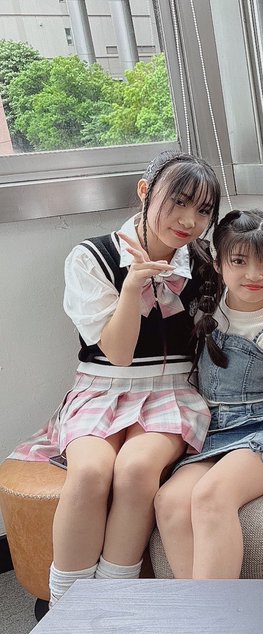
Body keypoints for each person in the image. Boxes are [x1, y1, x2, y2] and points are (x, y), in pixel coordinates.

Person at [12, 151, 220, 602]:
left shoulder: (203, 264)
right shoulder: (91, 256)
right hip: (101, 389)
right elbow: (119, 355)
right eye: (178, 201)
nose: (189, 220)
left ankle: (114, 605)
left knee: (136, 469)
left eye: (203, 210)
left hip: (171, 393)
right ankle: (67, 608)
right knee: (90, 472)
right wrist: (132, 286)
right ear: (145, 192)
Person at [154, 209, 263, 578]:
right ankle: (202, 610)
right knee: (170, 501)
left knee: (210, 496)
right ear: (218, 263)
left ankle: (217, 613)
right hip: (215, 428)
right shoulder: (206, 308)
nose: (253, 275)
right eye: (239, 261)